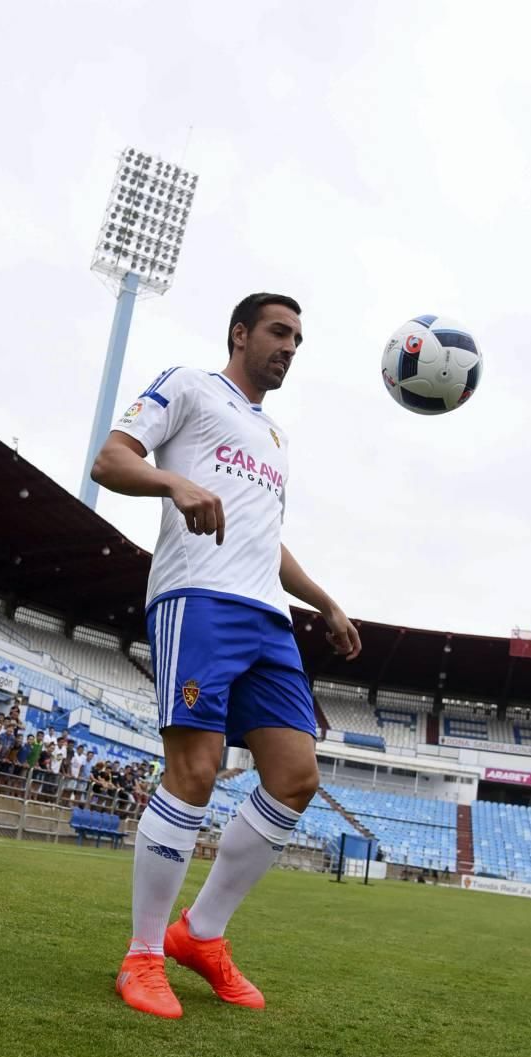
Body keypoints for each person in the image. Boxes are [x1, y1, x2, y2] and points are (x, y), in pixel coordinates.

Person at [92, 292, 361, 1019]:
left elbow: (265, 541)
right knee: (196, 770)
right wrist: (172, 480)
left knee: (296, 776)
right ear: (240, 333)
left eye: (299, 338)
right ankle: (143, 954)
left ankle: (201, 935)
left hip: (268, 618)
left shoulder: (274, 438)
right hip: (197, 599)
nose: (290, 346)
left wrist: (324, 601)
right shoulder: (188, 385)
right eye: (279, 331)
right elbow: (110, 458)